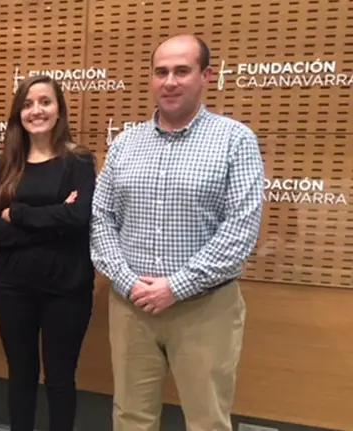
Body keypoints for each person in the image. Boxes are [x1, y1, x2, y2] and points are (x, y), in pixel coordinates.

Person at [90, 34, 265, 431]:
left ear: (206, 76)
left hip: (205, 309)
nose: (169, 81)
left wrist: (176, 286)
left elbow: (239, 230)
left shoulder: (234, 141)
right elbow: (102, 219)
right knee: (131, 417)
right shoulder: (125, 144)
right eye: (161, 72)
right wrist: (129, 282)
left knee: (207, 421)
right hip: (131, 306)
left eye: (182, 71)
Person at [0, 74, 96, 431]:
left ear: (59, 109)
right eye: (28, 104)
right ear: (18, 114)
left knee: (60, 378)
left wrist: (18, 214)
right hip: (14, 287)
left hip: (67, 287)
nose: (37, 110)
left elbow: (78, 218)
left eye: (45, 102)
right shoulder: (5, 165)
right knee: (21, 375)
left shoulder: (78, 161)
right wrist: (52, 222)